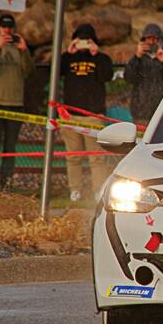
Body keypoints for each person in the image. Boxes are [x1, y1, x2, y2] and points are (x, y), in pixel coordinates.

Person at [0, 13, 34, 198]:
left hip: (15, 104)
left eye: (10, 27)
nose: (7, 30)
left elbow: (29, 71)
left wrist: (24, 50)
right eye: (4, 27)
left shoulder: (18, 48)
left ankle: (6, 188)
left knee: (10, 150)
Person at [60, 23, 114, 202]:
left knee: (96, 157)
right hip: (70, 115)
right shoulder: (68, 58)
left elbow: (107, 75)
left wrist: (95, 55)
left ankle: (98, 190)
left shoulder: (102, 58)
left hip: (93, 115)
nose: (83, 44)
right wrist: (69, 52)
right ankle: (75, 190)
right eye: (80, 40)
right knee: (73, 156)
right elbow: (56, 72)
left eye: (87, 40)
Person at [125, 23, 163, 125]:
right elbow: (129, 78)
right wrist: (137, 57)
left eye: (155, 39)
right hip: (141, 113)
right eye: (149, 39)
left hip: (162, 112)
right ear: (143, 41)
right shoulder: (138, 59)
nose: (152, 42)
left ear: (161, 41)